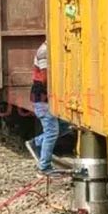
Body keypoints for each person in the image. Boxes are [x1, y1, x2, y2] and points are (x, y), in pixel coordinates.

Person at [25, 41, 71, 175]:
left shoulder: (48, 49)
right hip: (43, 97)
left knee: (64, 126)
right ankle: (44, 167)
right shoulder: (44, 51)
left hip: (45, 97)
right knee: (52, 131)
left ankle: (36, 142)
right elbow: (45, 78)